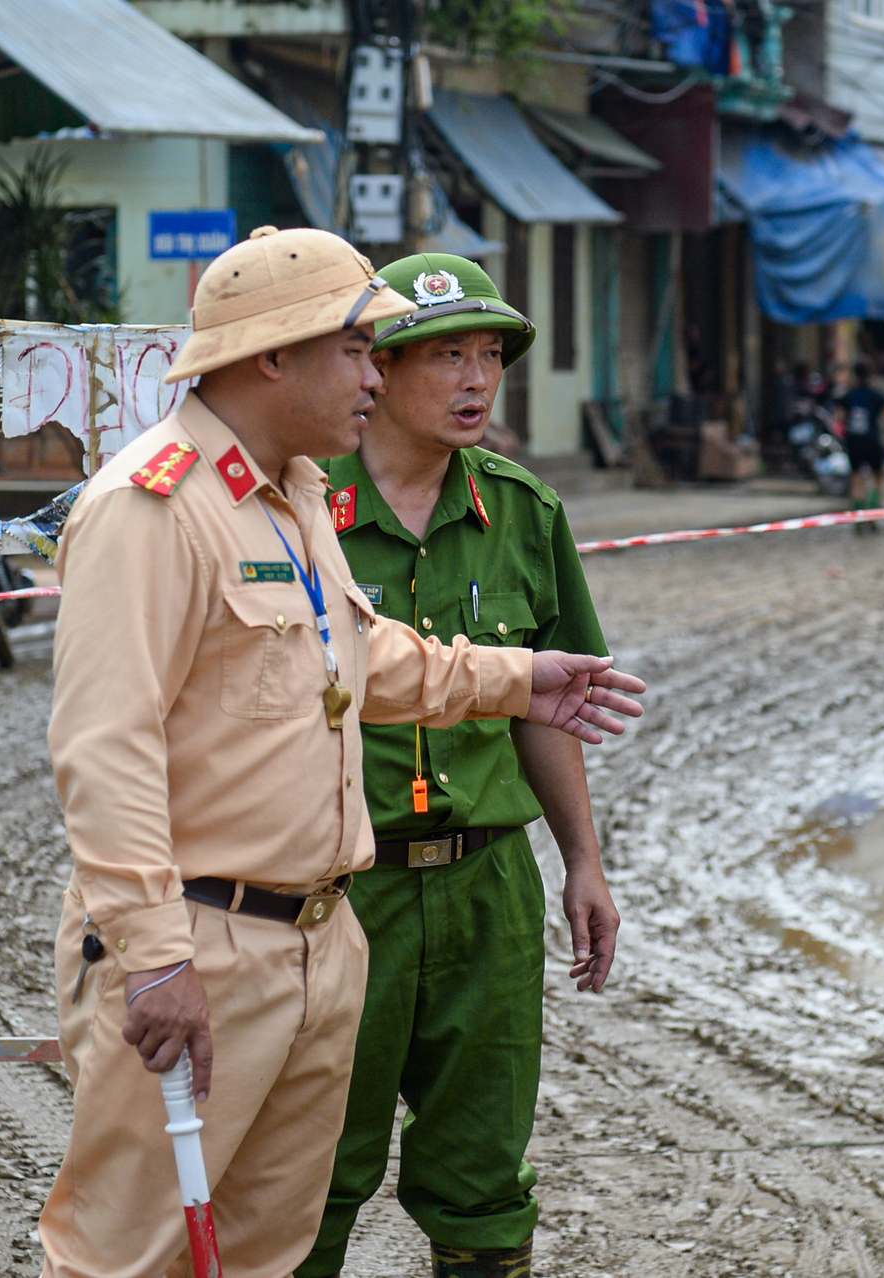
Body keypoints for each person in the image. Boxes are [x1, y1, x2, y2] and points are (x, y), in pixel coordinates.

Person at [41, 227, 645, 1278]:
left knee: (272, 1251)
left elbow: (356, 656)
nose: (377, 374)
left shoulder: (296, 496)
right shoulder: (153, 509)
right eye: (361, 349)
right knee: (134, 1257)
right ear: (276, 353)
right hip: (202, 942)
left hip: (319, 938)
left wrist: (517, 678)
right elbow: (105, 749)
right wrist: (154, 957)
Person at [299, 254, 615, 1278]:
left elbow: (547, 700)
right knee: (309, 1175)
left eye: (491, 356)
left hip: (486, 885)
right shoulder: (298, 512)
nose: (478, 380)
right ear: (378, 369)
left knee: (483, 1175)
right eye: (448, 356)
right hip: (341, 889)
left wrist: (583, 861)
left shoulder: (524, 511)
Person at [839, 359, 884, 533]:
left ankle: (858, 518)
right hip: (872, 441)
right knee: (879, 479)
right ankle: (872, 512)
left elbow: (838, 417)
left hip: (854, 441)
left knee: (856, 480)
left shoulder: (849, 395)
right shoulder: (877, 395)